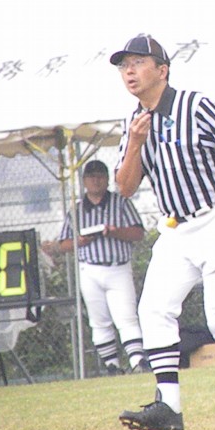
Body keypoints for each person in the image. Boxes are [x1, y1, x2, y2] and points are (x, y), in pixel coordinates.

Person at [111, 34, 215, 430]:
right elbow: (125, 186)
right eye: (124, 65)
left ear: (162, 70)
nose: (129, 71)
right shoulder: (133, 123)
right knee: (153, 309)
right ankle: (168, 407)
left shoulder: (195, 105)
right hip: (176, 228)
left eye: (138, 62)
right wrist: (135, 144)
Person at [58, 159, 148, 375]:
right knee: (99, 320)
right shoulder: (77, 210)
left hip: (118, 267)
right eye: (91, 177)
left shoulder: (121, 203)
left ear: (107, 179)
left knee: (126, 316)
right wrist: (81, 241)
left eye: (100, 176)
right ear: (84, 181)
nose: (96, 180)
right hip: (89, 269)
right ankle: (112, 366)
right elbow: (63, 244)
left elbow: (138, 233)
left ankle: (137, 362)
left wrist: (114, 231)